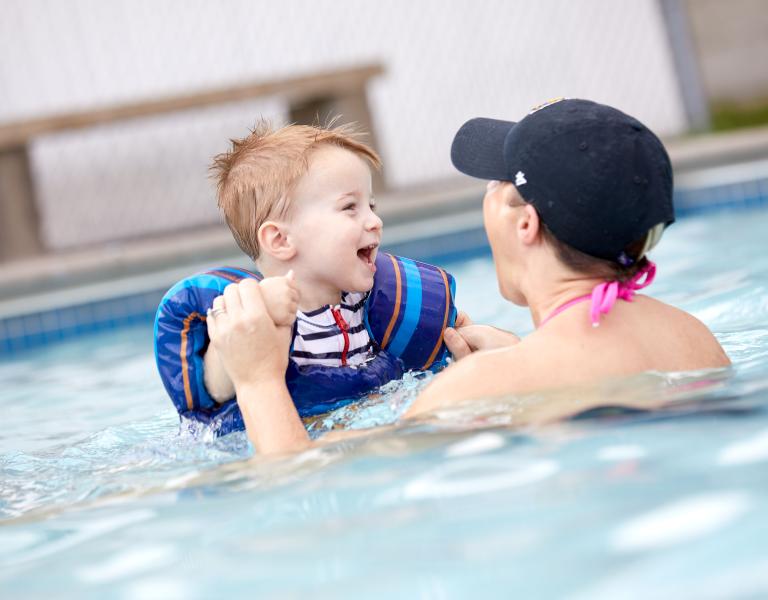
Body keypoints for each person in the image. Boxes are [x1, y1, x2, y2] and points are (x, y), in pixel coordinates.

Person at [208, 99, 731, 454]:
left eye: (493, 185)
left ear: (524, 223)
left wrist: (256, 381)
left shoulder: (477, 388)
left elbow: (300, 492)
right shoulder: (693, 337)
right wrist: (520, 356)